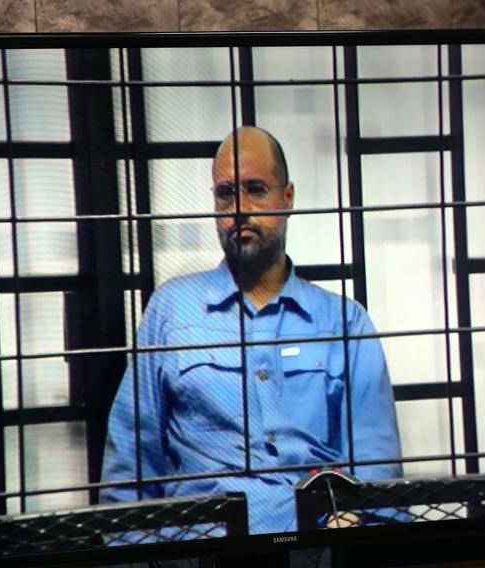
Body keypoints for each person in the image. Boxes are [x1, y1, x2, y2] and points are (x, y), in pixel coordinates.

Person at [100, 126, 402, 536]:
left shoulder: (342, 323)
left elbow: (377, 475)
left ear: (288, 198)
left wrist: (351, 535)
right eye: (225, 193)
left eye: (256, 189)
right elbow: (130, 470)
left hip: (316, 552)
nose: (239, 208)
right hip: (200, 554)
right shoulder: (172, 311)